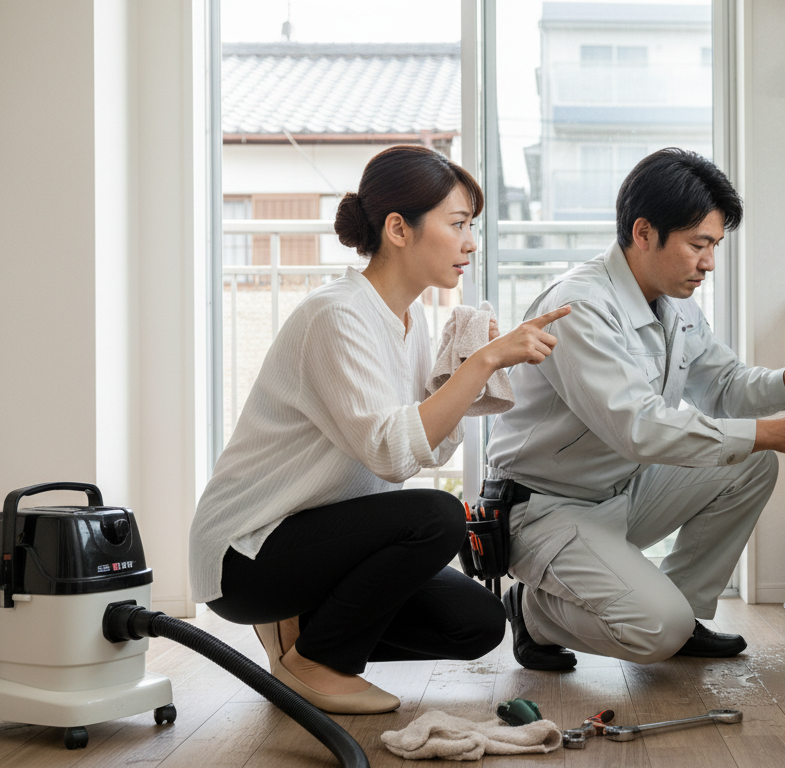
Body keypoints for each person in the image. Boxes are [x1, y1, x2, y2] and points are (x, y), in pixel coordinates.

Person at [188, 145, 571, 713]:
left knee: (478, 624)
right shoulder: (337, 315)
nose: (471, 242)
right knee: (439, 516)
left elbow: (427, 448)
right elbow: (392, 455)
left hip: (320, 543)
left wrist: (458, 372)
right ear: (398, 228)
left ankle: (307, 629)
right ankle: (320, 662)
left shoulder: (410, 321)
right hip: (248, 553)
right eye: (458, 224)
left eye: (472, 227)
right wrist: (481, 363)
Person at [486, 147, 785, 670]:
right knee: (656, 630)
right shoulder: (580, 307)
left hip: (619, 491)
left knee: (748, 463)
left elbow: (722, 383)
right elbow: (638, 427)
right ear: (643, 232)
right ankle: (533, 610)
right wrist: (771, 432)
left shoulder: (675, 302)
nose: (709, 263)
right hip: (545, 508)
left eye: (715, 245)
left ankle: (685, 613)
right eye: (698, 244)